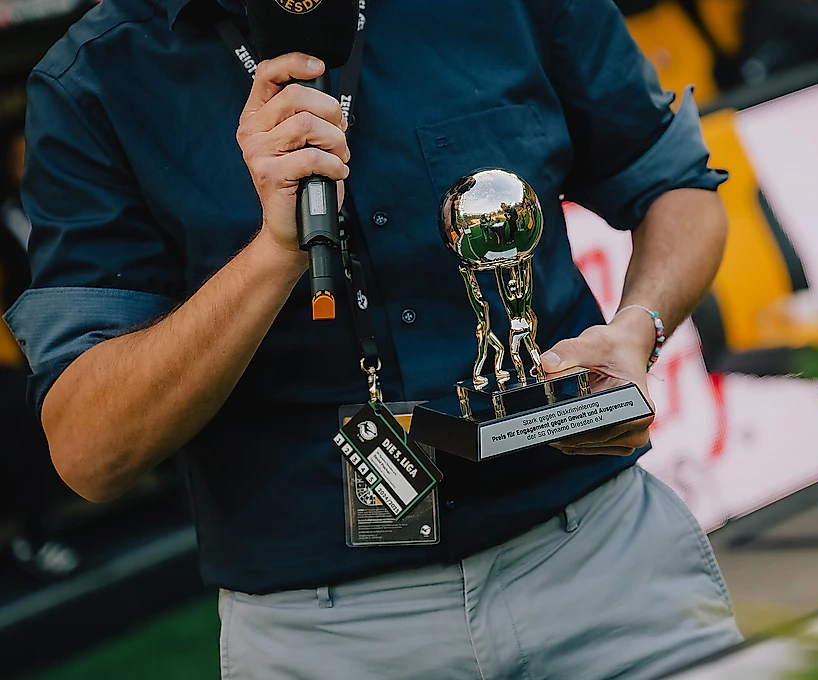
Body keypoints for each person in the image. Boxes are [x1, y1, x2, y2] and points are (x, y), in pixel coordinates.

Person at [5, 0, 740, 677]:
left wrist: (636, 328)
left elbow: (676, 183)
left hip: (599, 556)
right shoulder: (96, 77)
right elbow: (90, 452)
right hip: (325, 630)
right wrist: (273, 254)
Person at [0, 123, 81, 580]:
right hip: (21, 355)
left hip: (77, 338)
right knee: (24, 425)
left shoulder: (76, 209)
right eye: (21, 157)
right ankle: (37, 537)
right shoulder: (5, 221)